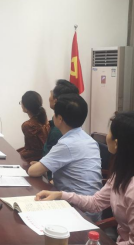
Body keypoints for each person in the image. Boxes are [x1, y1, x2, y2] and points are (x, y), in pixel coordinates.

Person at [35, 112, 134, 245]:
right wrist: (60, 195)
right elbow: (95, 203)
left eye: (109, 132)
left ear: (117, 143)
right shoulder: (124, 173)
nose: (107, 136)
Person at [28, 93, 103, 221]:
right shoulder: (89, 140)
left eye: (54, 113)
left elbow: (33, 171)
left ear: (60, 119)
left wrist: (41, 166)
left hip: (78, 211)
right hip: (93, 209)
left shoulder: (67, 144)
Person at [43, 80, 79, 157]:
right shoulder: (71, 123)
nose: (49, 97)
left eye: (51, 94)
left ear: (55, 101)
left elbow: (50, 161)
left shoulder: (58, 131)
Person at [16, 91, 50, 163]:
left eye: (21, 103)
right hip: (45, 157)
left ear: (26, 108)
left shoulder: (28, 125)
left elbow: (35, 151)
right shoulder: (46, 121)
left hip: (35, 161)